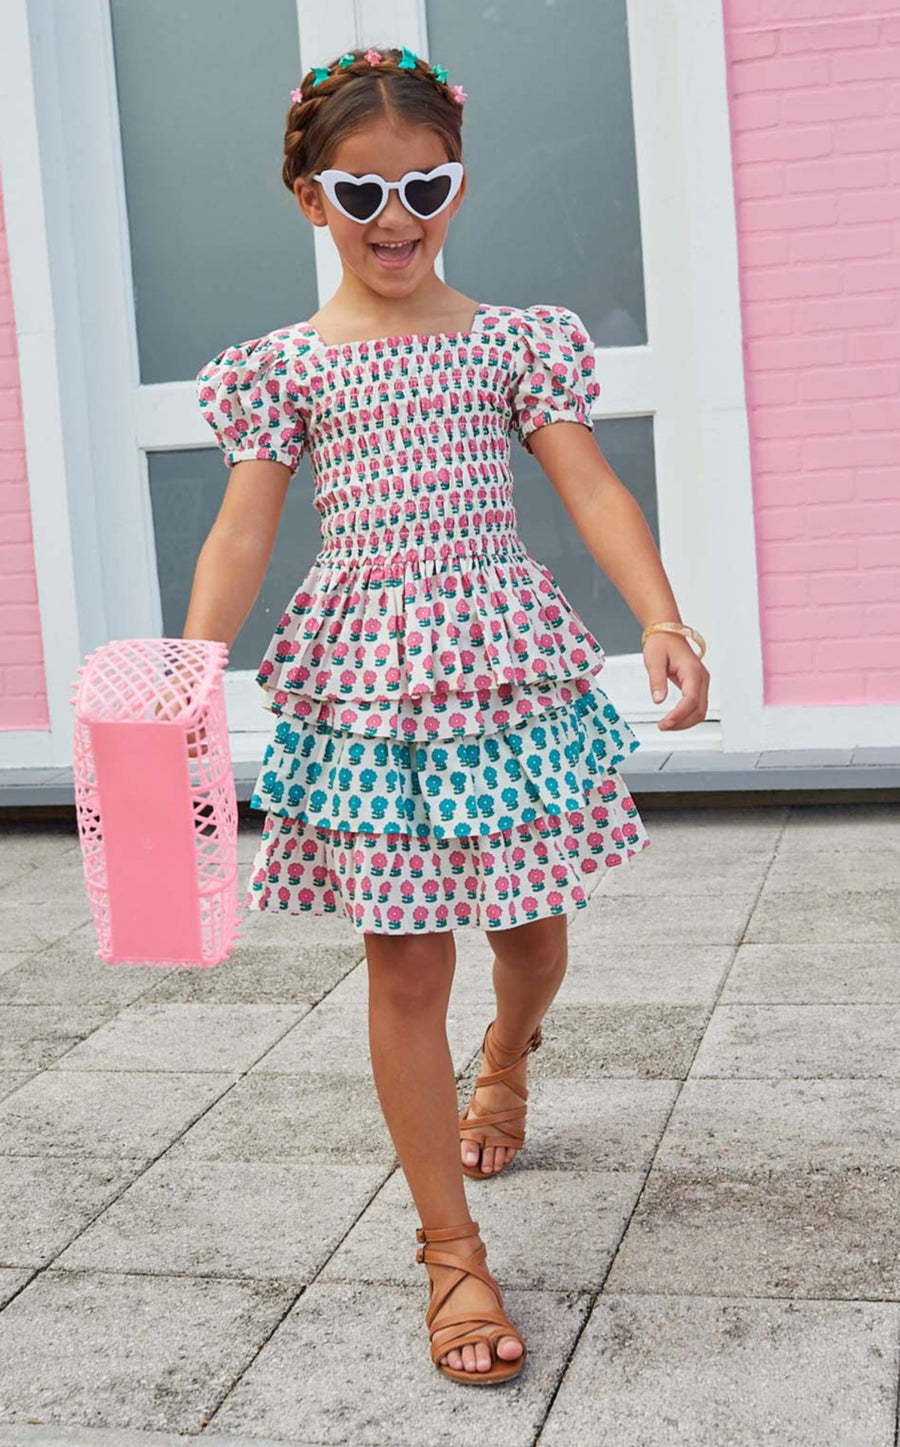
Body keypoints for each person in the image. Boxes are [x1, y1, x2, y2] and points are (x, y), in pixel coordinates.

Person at [188, 44, 710, 1387]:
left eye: (425, 186)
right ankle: (450, 1250)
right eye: (361, 196)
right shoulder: (286, 368)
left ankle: (509, 1056)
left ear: (456, 185)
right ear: (311, 201)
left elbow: (590, 490)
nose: (396, 218)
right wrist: (191, 664)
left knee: (532, 937)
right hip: (367, 684)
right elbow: (245, 533)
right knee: (404, 963)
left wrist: (658, 612)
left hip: (501, 670)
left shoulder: (510, 342)